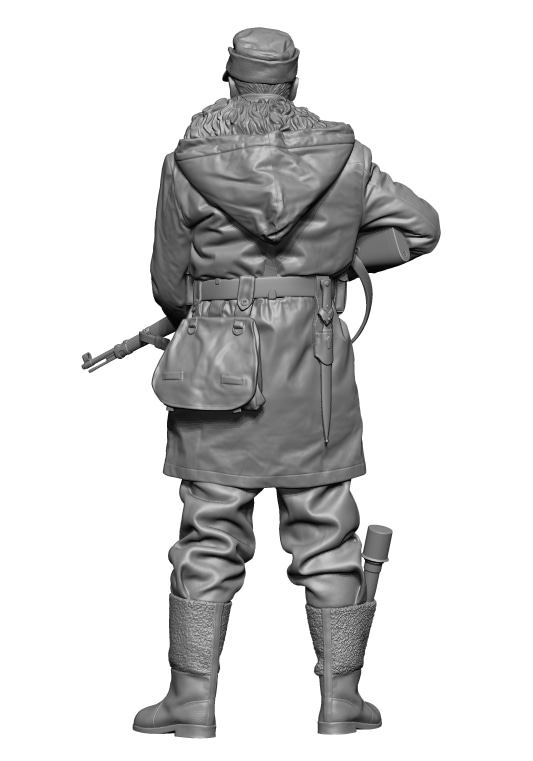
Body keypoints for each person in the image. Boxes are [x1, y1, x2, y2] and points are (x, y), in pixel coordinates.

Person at [133, 27, 440, 738]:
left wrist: (217, 298)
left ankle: (191, 703)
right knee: (327, 532)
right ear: (293, 87)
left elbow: (168, 285)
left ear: (229, 83)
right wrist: (331, 263)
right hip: (315, 369)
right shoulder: (347, 161)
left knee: (208, 533)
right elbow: (420, 228)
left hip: (216, 369)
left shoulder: (184, 164)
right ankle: (340, 702)